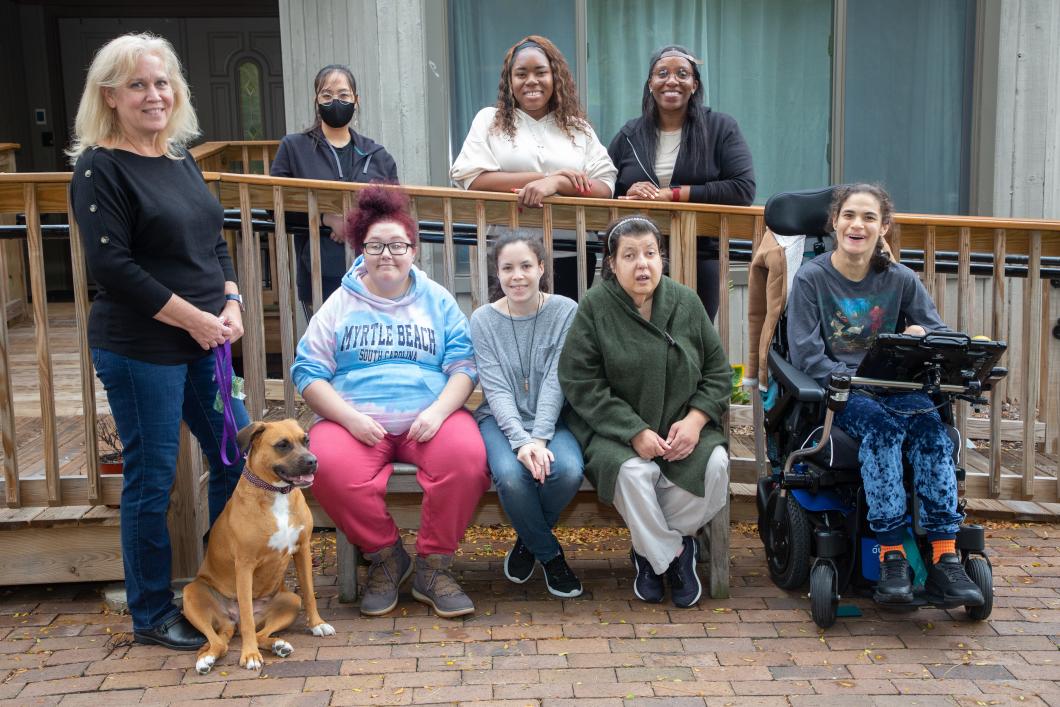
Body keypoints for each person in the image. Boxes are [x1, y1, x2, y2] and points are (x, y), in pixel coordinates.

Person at [67, 32, 250, 650]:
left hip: (206, 337)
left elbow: (213, 243)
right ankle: (149, 613)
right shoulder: (99, 167)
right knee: (154, 477)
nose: (154, 95)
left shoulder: (180, 159)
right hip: (141, 346)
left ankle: (221, 584)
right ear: (110, 95)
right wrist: (194, 319)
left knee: (235, 454)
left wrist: (231, 302)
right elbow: (112, 266)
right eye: (139, 84)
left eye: (163, 82)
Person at [291, 185, 488, 619]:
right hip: (356, 422)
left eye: (397, 245)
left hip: (430, 420)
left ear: (413, 251)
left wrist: (439, 412)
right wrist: (350, 419)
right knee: (323, 462)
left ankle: (433, 567)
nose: (387, 255)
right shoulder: (339, 304)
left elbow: (464, 366)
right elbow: (307, 372)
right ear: (361, 248)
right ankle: (385, 556)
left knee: (468, 456)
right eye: (376, 245)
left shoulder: (437, 300)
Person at [786, 183, 984, 607]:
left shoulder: (900, 279)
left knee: (932, 433)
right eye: (850, 215)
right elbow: (806, 352)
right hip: (845, 390)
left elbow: (939, 331)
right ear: (835, 222)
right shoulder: (812, 278)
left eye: (869, 217)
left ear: (884, 228)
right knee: (883, 433)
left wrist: (922, 332)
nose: (858, 224)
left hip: (898, 385)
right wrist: (847, 381)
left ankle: (945, 557)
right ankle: (892, 553)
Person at [558, 216, 731, 608]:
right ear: (612, 264)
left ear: (662, 259)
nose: (643, 265)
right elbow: (580, 381)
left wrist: (696, 420)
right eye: (630, 255)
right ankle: (673, 555)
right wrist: (633, 430)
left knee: (717, 466)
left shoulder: (685, 302)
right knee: (634, 473)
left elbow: (718, 372)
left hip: (680, 426)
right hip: (614, 431)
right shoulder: (595, 307)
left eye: (650, 254)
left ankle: (646, 550)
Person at [450, 35, 617, 301]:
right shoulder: (489, 120)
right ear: (509, 81)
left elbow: (605, 187)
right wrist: (543, 178)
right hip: (508, 253)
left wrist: (558, 184)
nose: (531, 81)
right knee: (511, 332)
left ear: (555, 77)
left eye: (541, 72)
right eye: (521, 74)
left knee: (564, 335)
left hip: (570, 253)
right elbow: (472, 178)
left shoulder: (577, 128)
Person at [470, 232, 584, 598]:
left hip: (550, 421)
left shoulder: (565, 310)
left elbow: (556, 380)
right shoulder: (483, 320)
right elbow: (496, 388)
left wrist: (539, 439)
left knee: (566, 470)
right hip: (499, 422)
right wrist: (521, 442)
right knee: (512, 477)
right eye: (507, 268)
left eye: (525, 266)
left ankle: (527, 540)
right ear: (497, 275)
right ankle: (550, 557)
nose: (517, 276)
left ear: (541, 268)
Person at [608, 44, 755, 320]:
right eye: (662, 73)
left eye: (682, 74)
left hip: (699, 253)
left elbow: (742, 189)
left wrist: (673, 195)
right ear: (651, 84)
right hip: (638, 255)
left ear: (694, 85)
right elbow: (606, 189)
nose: (672, 80)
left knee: (690, 337)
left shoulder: (720, 128)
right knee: (635, 334)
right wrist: (627, 191)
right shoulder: (630, 134)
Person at [271, 64, 399, 317]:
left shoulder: (377, 155)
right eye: (327, 95)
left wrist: (353, 223)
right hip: (320, 276)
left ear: (356, 100)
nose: (335, 102)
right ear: (316, 101)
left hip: (374, 275)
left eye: (343, 95)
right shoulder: (294, 148)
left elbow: (395, 211)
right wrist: (325, 219)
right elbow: (274, 205)